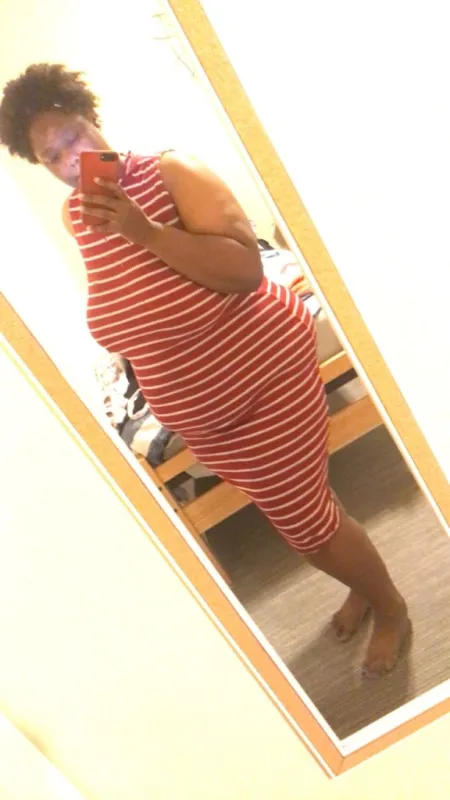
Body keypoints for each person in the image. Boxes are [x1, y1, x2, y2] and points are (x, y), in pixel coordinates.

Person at [0, 63, 410, 676]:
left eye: (74, 135)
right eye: (52, 155)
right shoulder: (76, 217)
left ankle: (392, 606)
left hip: (265, 377)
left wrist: (144, 231)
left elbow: (244, 270)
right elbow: (127, 295)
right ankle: (362, 582)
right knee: (307, 514)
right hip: (210, 420)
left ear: (92, 117)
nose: (70, 159)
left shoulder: (171, 171)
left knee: (306, 526)